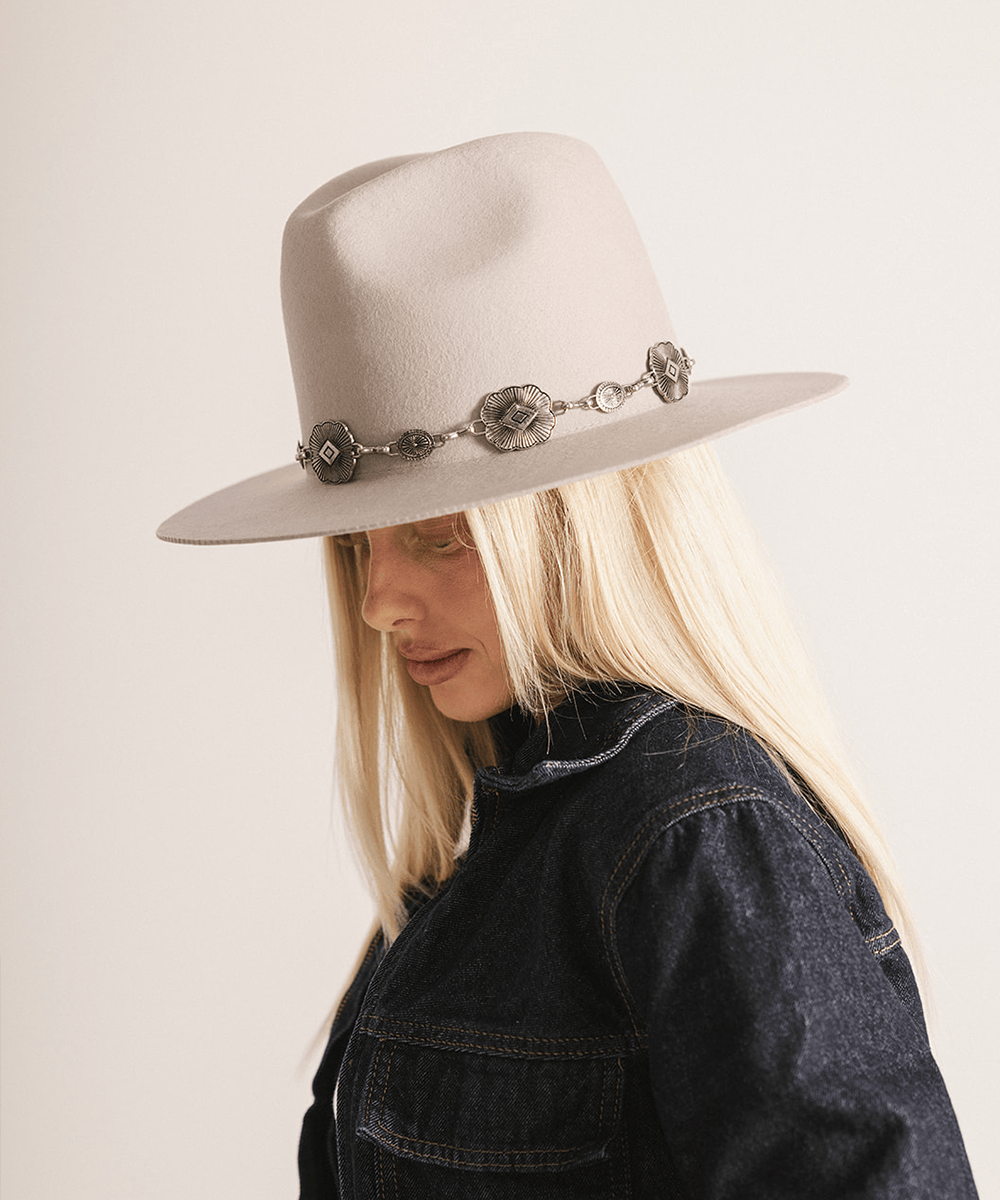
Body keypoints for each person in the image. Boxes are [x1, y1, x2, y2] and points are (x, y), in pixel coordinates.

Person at [158, 133, 978, 1198]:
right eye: (360, 542)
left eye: (439, 536)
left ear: (578, 529)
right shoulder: (490, 846)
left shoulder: (692, 833)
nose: (376, 602)